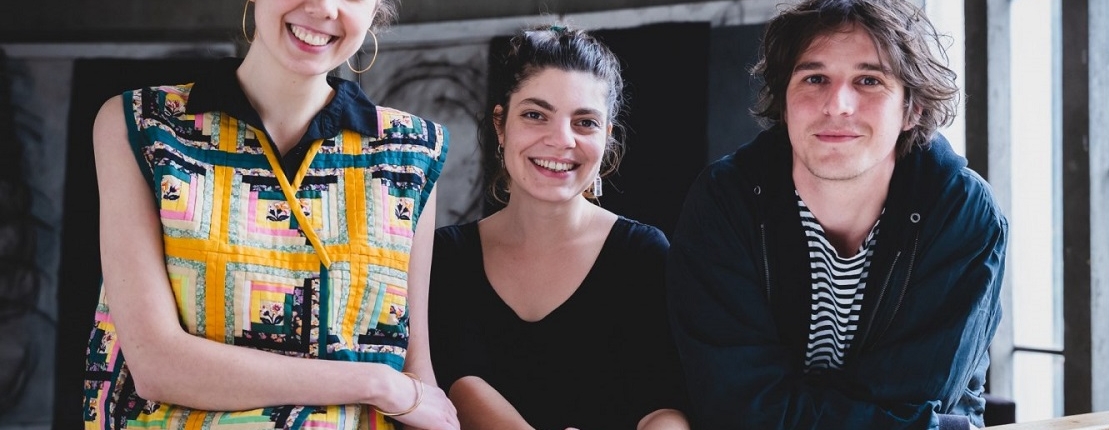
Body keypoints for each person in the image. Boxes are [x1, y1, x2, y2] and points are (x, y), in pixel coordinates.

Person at [81, 0, 458, 428]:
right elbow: (156, 364)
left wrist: (401, 389)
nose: (323, 7)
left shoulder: (410, 152)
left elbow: (415, 375)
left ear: (375, 11)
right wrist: (375, 382)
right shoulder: (144, 125)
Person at [665, 0, 1008, 429]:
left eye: (869, 80)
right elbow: (736, 406)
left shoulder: (961, 211)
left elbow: (915, 399)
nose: (838, 104)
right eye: (815, 78)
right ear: (784, 103)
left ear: (912, 109)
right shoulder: (726, 202)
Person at [427, 24, 691, 430]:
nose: (561, 139)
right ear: (500, 124)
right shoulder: (446, 257)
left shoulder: (643, 254)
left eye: (585, 122)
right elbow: (458, 386)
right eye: (535, 115)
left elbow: (665, 406)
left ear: (607, 137)